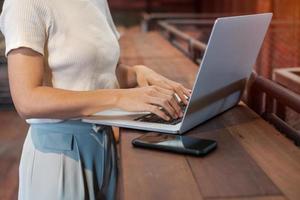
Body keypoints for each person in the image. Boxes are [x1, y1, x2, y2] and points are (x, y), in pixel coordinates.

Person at [0, 0, 190, 199]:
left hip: (104, 142)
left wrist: (137, 74)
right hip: (60, 154)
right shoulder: (25, 4)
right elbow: (26, 100)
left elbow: (103, 74)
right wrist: (118, 97)